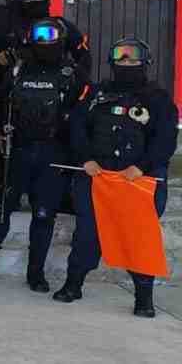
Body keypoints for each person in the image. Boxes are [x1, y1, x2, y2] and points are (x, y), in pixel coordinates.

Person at [0, 18, 91, 291]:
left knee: (43, 215)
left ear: (62, 38)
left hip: (53, 154)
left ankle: (36, 273)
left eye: (50, 34)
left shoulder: (73, 73)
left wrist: (78, 154)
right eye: (39, 35)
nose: (45, 40)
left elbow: (84, 117)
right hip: (15, 150)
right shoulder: (18, 70)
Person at [53, 38, 176, 318]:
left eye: (133, 60)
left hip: (138, 180)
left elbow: (166, 139)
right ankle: (73, 285)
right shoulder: (96, 94)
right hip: (98, 177)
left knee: (138, 238)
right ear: (112, 63)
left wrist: (142, 167)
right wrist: (85, 158)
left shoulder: (158, 98)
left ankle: (143, 298)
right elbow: (77, 127)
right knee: (87, 234)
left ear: (144, 63)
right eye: (121, 60)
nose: (126, 64)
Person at [2, 0, 90, 74]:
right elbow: (3, 56)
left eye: (38, 1)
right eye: (32, 1)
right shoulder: (15, 27)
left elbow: (83, 53)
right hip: (23, 75)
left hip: (57, 76)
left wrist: (79, 76)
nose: (35, 5)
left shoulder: (62, 25)